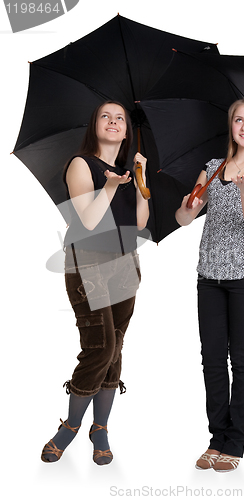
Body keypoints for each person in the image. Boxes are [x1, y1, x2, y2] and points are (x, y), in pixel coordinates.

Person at [175, 98, 244, 472]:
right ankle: (216, 438)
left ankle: (234, 443)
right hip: (209, 276)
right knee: (211, 359)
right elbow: (185, 217)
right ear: (232, 125)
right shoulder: (212, 167)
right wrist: (188, 207)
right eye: (239, 119)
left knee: (242, 357)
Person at [41, 101, 149, 465]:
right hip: (87, 263)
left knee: (114, 348)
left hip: (125, 264)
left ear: (127, 130)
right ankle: (70, 426)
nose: (114, 121)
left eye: (121, 118)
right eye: (106, 115)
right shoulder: (81, 164)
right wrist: (110, 187)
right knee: (99, 347)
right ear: (94, 124)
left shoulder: (127, 172)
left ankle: (99, 427)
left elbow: (138, 222)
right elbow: (87, 221)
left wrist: (140, 180)